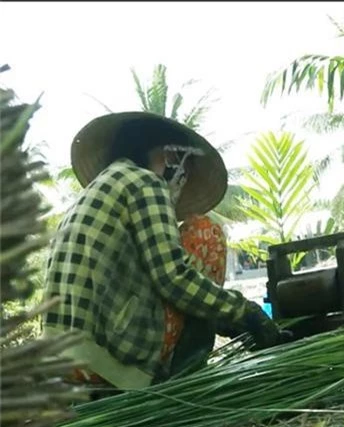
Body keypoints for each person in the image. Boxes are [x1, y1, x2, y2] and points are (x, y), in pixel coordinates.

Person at [42, 112, 285, 392]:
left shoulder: (95, 191)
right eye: (185, 165)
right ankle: (186, 386)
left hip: (60, 363)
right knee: (206, 230)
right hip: (103, 365)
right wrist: (244, 314)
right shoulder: (145, 183)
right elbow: (173, 277)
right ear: (171, 156)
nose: (183, 176)